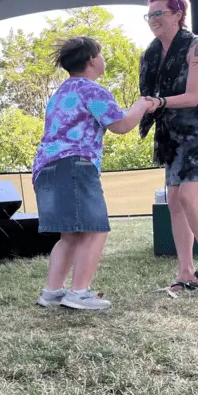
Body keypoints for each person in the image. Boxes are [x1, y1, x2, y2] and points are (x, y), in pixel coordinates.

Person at [32, 36, 151, 310]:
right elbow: (120, 125)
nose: (103, 58)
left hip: (46, 168)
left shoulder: (62, 91)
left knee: (69, 235)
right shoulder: (91, 90)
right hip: (75, 165)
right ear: (92, 59)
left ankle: (52, 293)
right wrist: (141, 105)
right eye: (101, 53)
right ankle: (79, 293)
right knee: (96, 230)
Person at [138, 0, 198, 291]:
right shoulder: (149, 54)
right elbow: (146, 98)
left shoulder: (197, 45)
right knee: (174, 203)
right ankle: (185, 273)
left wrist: (157, 101)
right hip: (169, 135)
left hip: (197, 131)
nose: (153, 20)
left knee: (189, 198)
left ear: (178, 14)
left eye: (159, 13)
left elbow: (194, 96)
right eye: (149, 15)